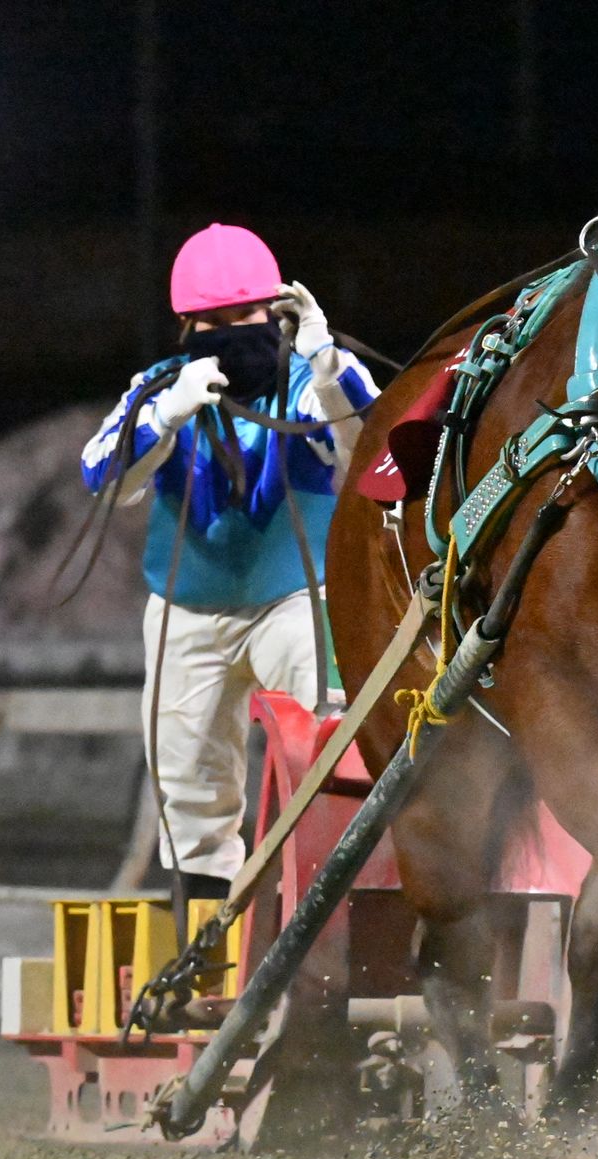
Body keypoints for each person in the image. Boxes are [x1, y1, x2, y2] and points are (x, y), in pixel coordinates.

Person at [81, 223, 379, 902]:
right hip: (186, 608)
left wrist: (329, 363)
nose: (229, 330)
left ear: (273, 311)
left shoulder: (309, 376)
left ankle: (346, 919)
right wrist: (164, 416)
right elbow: (102, 476)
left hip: (295, 597)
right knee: (187, 786)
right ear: (186, 325)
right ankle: (207, 952)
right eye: (212, 321)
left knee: (338, 739)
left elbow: (368, 445)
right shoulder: (158, 387)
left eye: (242, 316)